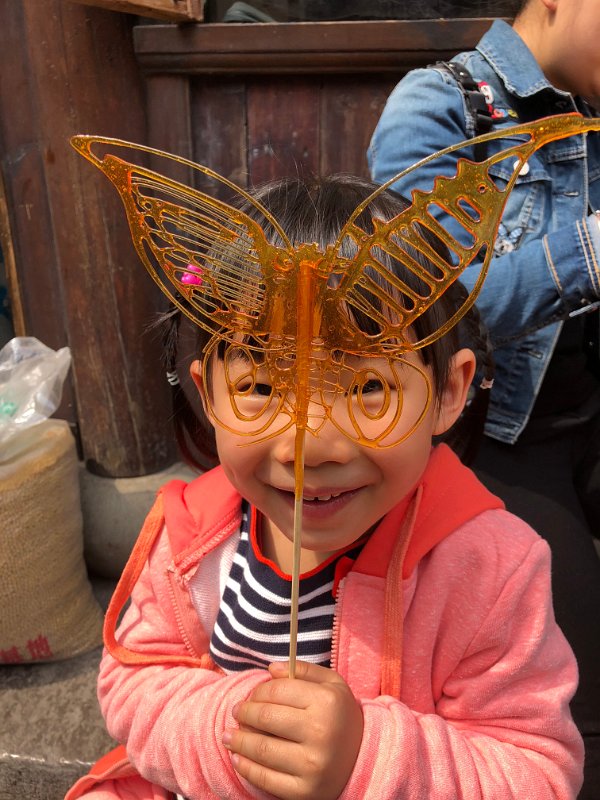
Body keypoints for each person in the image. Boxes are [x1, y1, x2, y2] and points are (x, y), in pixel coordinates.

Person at [66, 173, 583, 800]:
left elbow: (536, 771)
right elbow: (133, 680)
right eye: (260, 386)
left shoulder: (491, 572)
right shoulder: (192, 539)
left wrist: (364, 758)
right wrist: (241, 732)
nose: (308, 446)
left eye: (368, 388)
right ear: (208, 394)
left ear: (450, 391)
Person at [368, 2, 600, 793]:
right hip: (502, 433)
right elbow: (442, 308)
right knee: (576, 683)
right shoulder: (440, 107)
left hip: (589, 412)